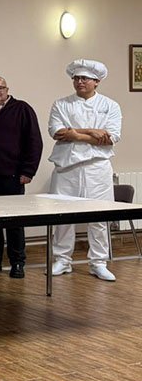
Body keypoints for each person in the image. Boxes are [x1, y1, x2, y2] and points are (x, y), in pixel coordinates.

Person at [47, 59, 122, 282]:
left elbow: (111, 138)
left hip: (97, 168)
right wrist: (90, 132)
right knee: (62, 216)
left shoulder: (110, 105)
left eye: (84, 78)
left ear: (96, 82)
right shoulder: (61, 104)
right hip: (66, 167)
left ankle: (98, 262)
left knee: (99, 216)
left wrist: (75, 134)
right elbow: (57, 132)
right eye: (76, 78)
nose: (79, 82)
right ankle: (62, 259)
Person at [0, 75, 43, 278]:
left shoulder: (22, 109)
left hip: (12, 176)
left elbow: (34, 142)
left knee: (14, 222)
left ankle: (17, 263)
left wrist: (28, 171)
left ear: (7, 89)